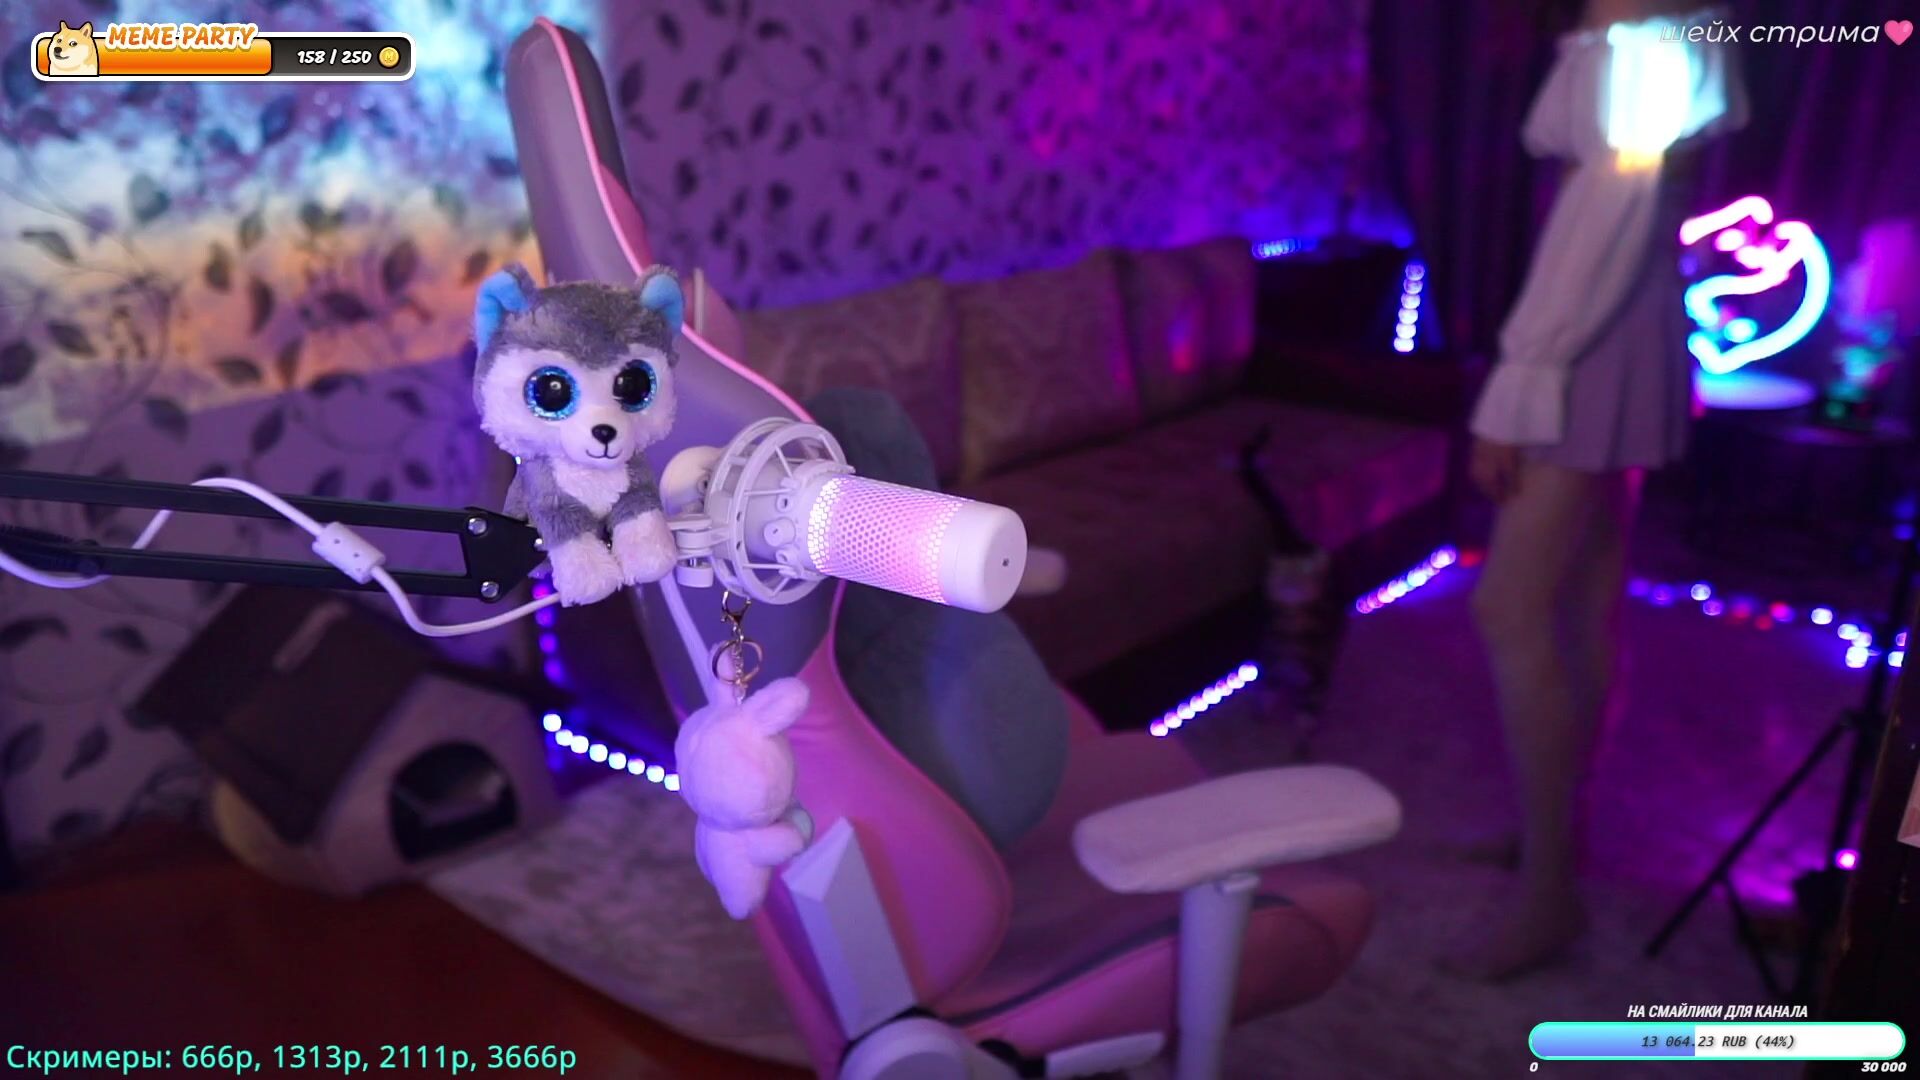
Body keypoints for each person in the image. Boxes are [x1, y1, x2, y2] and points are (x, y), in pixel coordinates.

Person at [1446, 0, 1746, 980]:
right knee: (1584, 600)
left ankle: (1549, 892)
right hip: (1623, 317)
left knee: (1511, 605)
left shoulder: (1645, 32)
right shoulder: (1656, 27)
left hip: (1591, 337)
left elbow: (1607, 211)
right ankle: (1557, 841)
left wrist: (1523, 377)